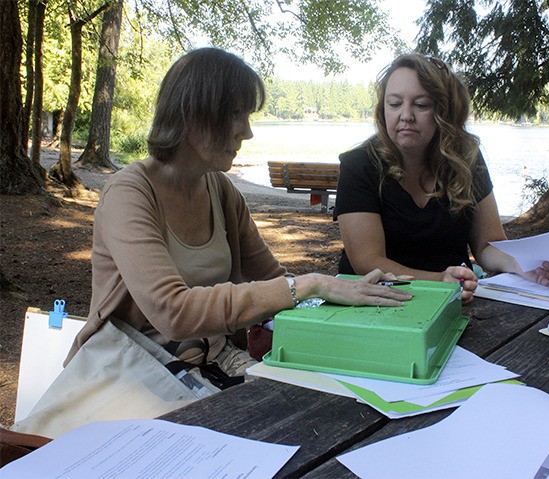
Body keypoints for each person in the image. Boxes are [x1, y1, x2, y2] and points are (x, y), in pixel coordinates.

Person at [64, 47, 411, 378]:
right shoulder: (129, 193)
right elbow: (173, 312)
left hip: (214, 362)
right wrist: (311, 285)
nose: (247, 131)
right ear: (192, 115)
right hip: (134, 372)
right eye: (236, 114)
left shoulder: (221, 190)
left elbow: (272, 280)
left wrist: (347, 295)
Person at [334, 53, 549, 304]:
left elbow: (487, 246)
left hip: (455, 306)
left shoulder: (467, 159)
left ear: (444, 110)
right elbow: (367, 263)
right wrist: (439, 282)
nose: (406, 115)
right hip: (372, 308)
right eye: (394, 104)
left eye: (421, 105)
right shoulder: (359, 165)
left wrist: (521, 264)